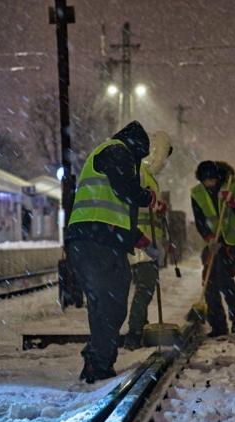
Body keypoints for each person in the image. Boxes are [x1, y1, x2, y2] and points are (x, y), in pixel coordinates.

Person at [66, 121, 165, 383]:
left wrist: (146, 245)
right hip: (97, 243)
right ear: (136, 146)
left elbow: (118, 214)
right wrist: (146, 197)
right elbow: (126, 189)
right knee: (110, 303)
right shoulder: (116, 151)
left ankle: (99, 363)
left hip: (93, 240)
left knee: (103, 304)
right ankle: (97, 364)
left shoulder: (114, 155)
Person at [124, 131, 174, 350]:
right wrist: (153, 206)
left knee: (144, 289)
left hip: (145, 242)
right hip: (140, 242)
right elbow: (134, 200)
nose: (164, 162)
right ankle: (134, 334)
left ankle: (139, 328)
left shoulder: (148, 176)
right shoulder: (142, 173)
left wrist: (157, 208)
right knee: (144, 289)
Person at [191, 161, 235, 337]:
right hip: (212, 243)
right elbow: (199, 219)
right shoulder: (197, 193)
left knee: (224, 279)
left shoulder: (232, 185)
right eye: (205, 181)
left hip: (230, 242)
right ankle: (218, 325)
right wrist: (209, 238)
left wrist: (233, 202)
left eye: (212, 180)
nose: (209, 184)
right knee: (210, 283)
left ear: (218, 177)